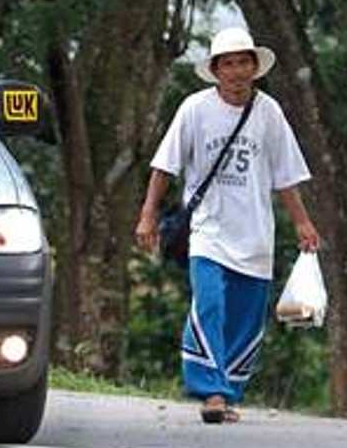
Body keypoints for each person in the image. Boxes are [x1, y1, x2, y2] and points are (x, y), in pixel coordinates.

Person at [134, 24, 320, 424]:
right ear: (216, 71)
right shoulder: (195, 109)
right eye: (228, 64)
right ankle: (211, 391)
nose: (236, 71)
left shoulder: (269, 112)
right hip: (209, 231)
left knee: (245, 319)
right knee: (210, 303)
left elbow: (285, 174)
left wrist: (303, 222)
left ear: (254, 67)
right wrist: (148, 214)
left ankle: (228, 391)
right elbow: (164, 165)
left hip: (255, 234)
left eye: (243, 63)